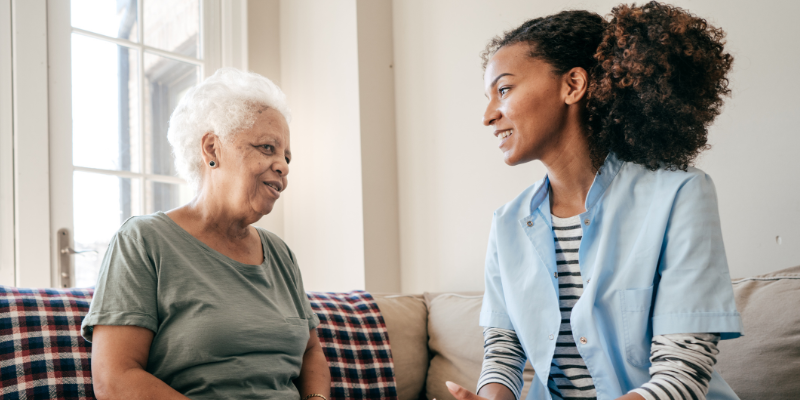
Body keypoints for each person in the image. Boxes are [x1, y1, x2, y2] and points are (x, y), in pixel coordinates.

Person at [445, 2, 742, 400]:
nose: (487, 115)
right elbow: (504, 350)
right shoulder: (507, 222)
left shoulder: (680, 194)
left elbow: (682, 371)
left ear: (573, 86)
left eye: (503, 89)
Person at [81, 68, 331, 400]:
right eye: (268, 148)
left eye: (286, 157)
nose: (284, 166)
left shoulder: (280, 254)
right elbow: (116, 379)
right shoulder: (143, 241)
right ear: (212, 149)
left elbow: (311, 352)